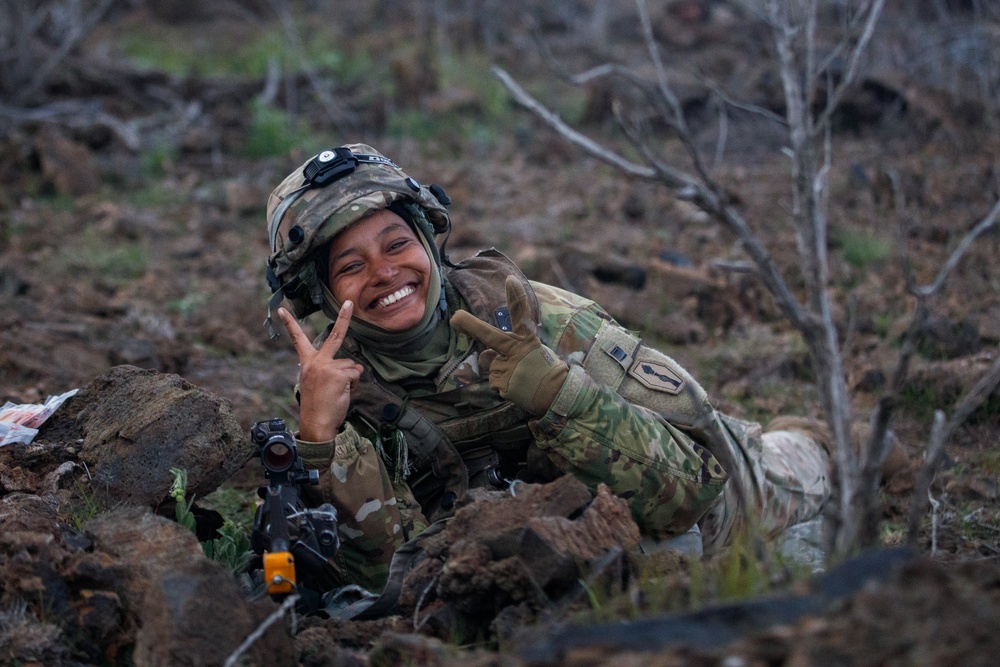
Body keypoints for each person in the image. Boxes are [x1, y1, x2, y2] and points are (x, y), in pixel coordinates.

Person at [263, 143, 832, 593]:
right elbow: (368, 580)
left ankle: (824, 440)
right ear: (320, 290)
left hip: (721, 491)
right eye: (351, 266)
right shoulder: (334, 391)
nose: (385, 274)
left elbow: (694, 491)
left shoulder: (545, 320)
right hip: (544, 550)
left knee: (800, 474)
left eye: (396, 245)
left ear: (430, 244)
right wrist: (318, 442)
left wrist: (563, 397)